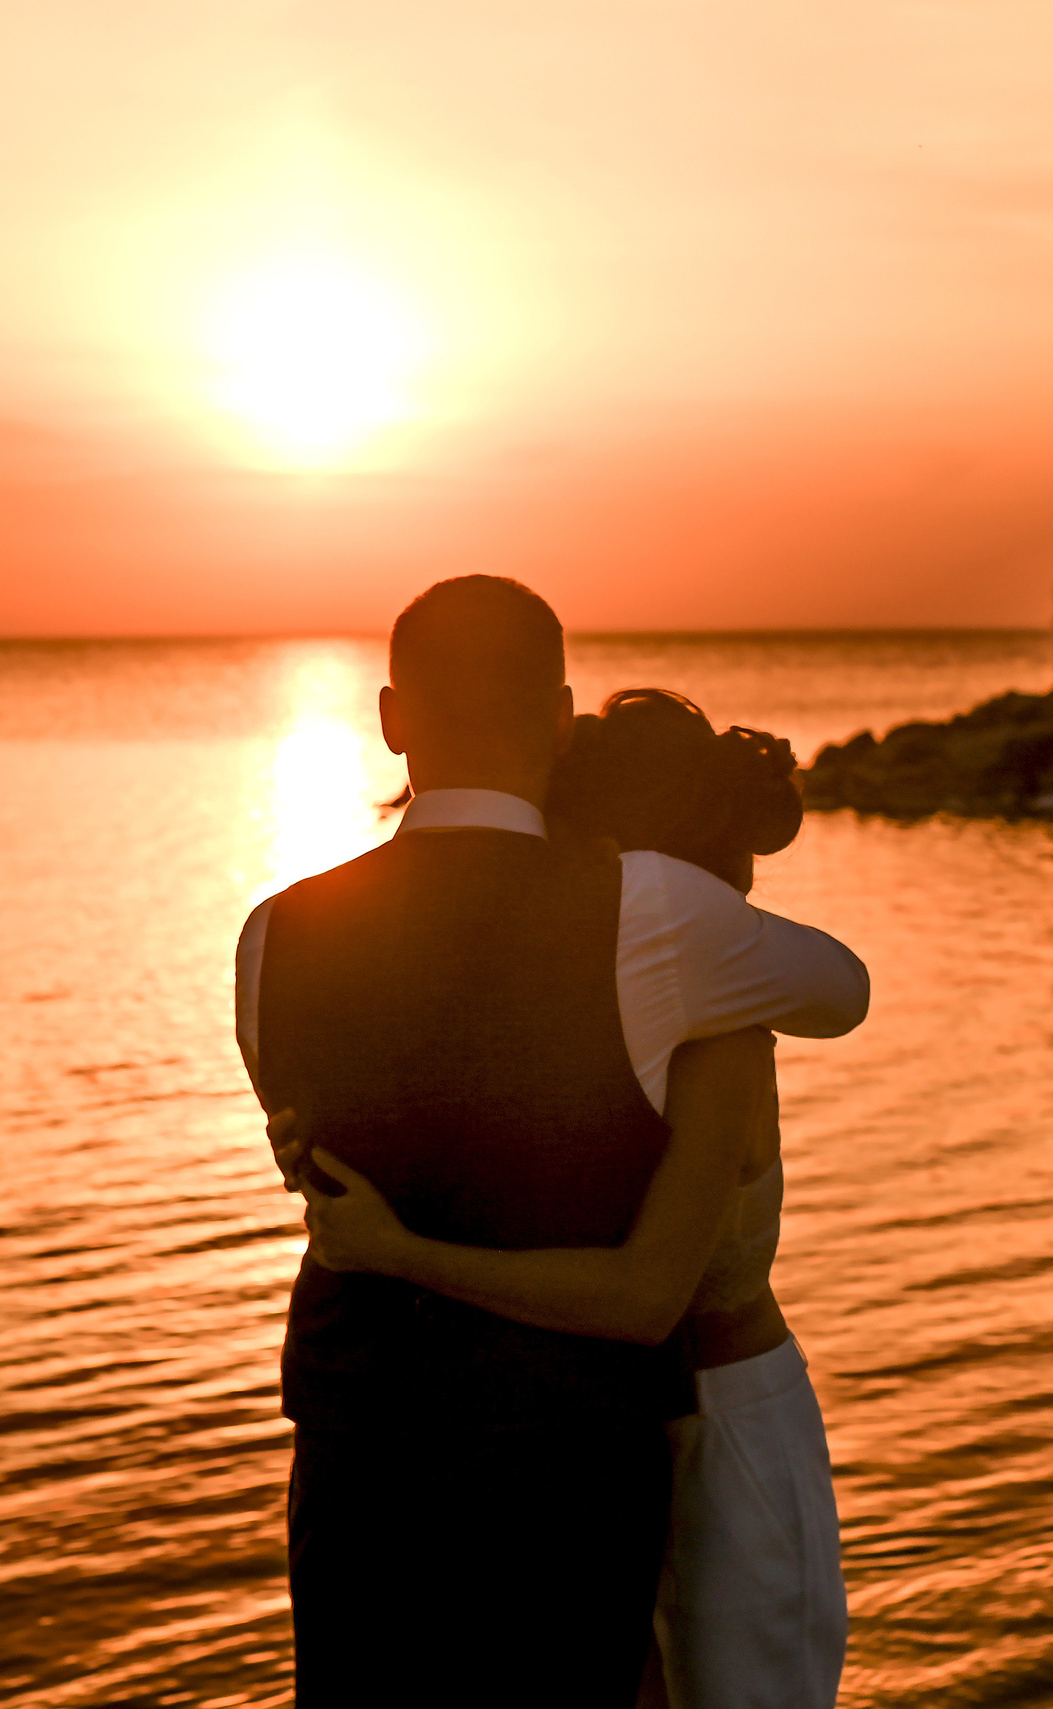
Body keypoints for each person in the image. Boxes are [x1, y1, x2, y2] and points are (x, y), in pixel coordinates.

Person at [233, 580, 868, 1708]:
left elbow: (312, 1150)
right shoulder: (652, 911)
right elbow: (840, 990)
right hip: (568, 1448)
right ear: (559, 711)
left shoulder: (272, 935)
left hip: (360, 1453)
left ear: (391, 717)